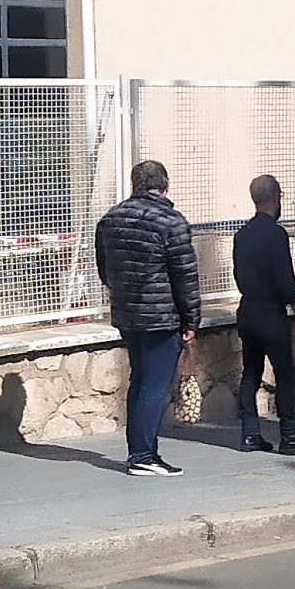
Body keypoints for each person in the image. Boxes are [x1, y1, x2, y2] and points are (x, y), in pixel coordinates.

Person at [94, 160, 202, 478]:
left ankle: (140, 452)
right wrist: (191, 321)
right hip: (161, 318)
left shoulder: (110, 220)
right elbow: (186, 277)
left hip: (127, 316)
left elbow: (104, 270)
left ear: (134, 184)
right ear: (165, 185)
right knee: (154, 386)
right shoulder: (172, 222)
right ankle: (143, 455)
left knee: (139, 382)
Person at [232, 175, 295, 456]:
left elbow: (238, 274)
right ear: (276, 196)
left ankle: (250, 434)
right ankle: (290, 436)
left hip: (248, 310)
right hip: (270, 313)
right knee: (284, 373)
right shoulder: (276, 234)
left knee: (250, 374)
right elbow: (284, 275)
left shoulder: (241, 234)